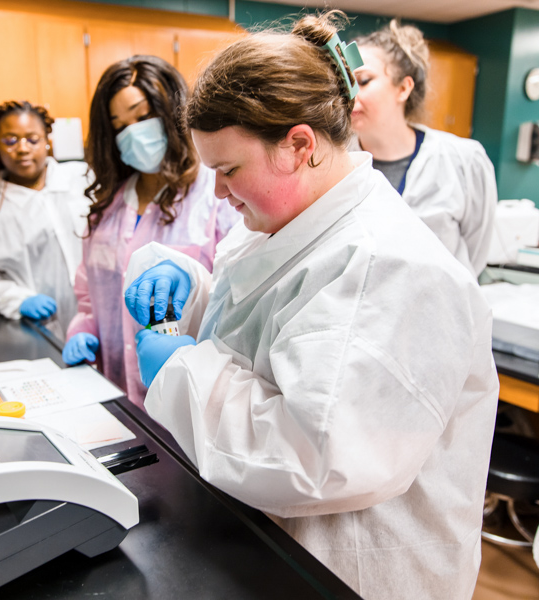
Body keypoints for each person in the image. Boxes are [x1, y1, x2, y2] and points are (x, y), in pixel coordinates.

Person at [123, 13, 499, 600]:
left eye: (228, 170)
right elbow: (264, 336)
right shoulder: (290, 220)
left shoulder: (391, 268)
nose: (218, 192)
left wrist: (181, 369)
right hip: (271, 539)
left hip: (354, 571)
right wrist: (191, 295)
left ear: (298, 145)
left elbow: (316, 455)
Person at [62, 55, 237, 407]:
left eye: (143, 117)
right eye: (120, 126)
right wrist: (83, 328)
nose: (134, 135)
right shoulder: (110, 205)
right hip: (115, 390)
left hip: (192, 398)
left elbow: (237, 296)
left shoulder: (217, 194)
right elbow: (90, 291)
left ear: (174, 111)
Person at [351, 21, 497, 277]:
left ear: (404, 88)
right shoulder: (334, 163)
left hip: (441, 310)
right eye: (346, 84)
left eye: (363, 81)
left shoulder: (463, 160)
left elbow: (476, 253)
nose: (351, 95)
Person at [0, 101, 91, 335]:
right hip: (37, 330)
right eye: (10, 140)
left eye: (32, 139)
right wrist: (16, 300)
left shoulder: (81, 179)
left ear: (47, 140)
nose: (23, 148)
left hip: (98, 321)